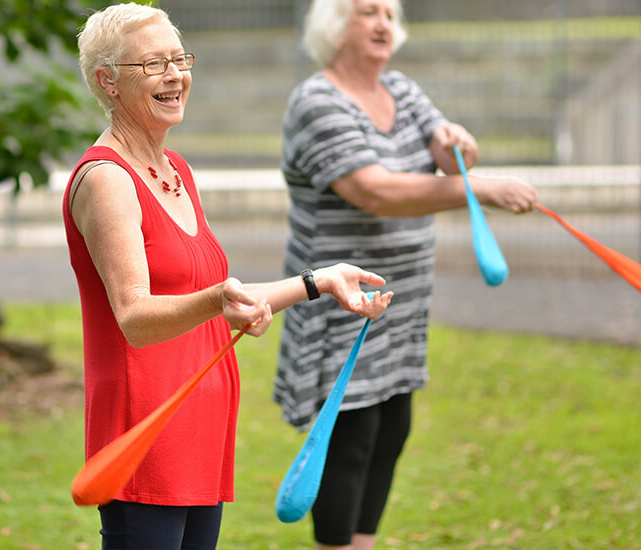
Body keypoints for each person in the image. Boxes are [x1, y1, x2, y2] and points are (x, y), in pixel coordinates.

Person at [63, 3, 395, 549]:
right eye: (153, 64)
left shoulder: (176, 171)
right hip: (144, 435)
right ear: (108, 82)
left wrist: (320, 280)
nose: (174, 75)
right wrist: (220, 299)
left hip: (199, 429)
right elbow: (136, 318)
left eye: (179, 58)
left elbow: (222, 296)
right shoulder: (107, 180)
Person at [273, 1, 539, 549]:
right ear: (333, 28)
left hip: (402, 304)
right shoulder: (316, 100)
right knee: (350, 439)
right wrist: (479, 187)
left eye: (388, 14)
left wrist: (456, 147)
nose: (381, 24)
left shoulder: (404, 90)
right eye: (365, 11)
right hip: (342, 303)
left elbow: (445, 156)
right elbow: (375, 191)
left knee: (391, 431)